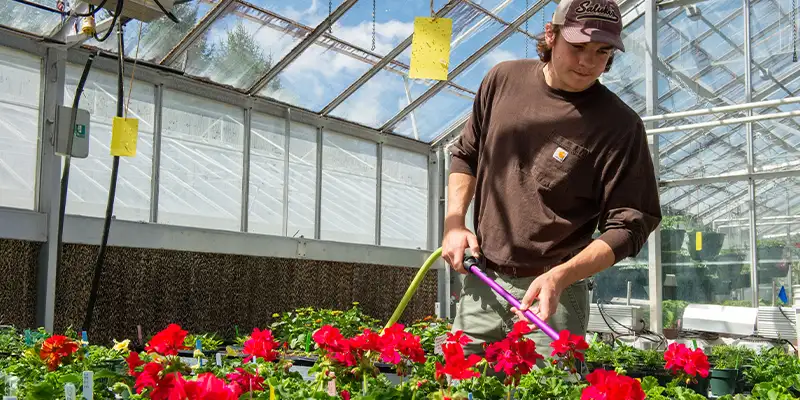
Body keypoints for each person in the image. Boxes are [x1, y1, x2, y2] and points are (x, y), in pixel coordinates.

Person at [442, 0, 662, 360]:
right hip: (483, 279)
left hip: (555, 293)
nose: (589, 62)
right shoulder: (502, 80)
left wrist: (563, 275)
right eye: (577, 47)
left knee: (547, 387)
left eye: (602, 51)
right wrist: (454, 223)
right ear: (551, 35)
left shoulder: (619, 126)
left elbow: (632, 222)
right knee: (457, 380)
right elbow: (466, 154)